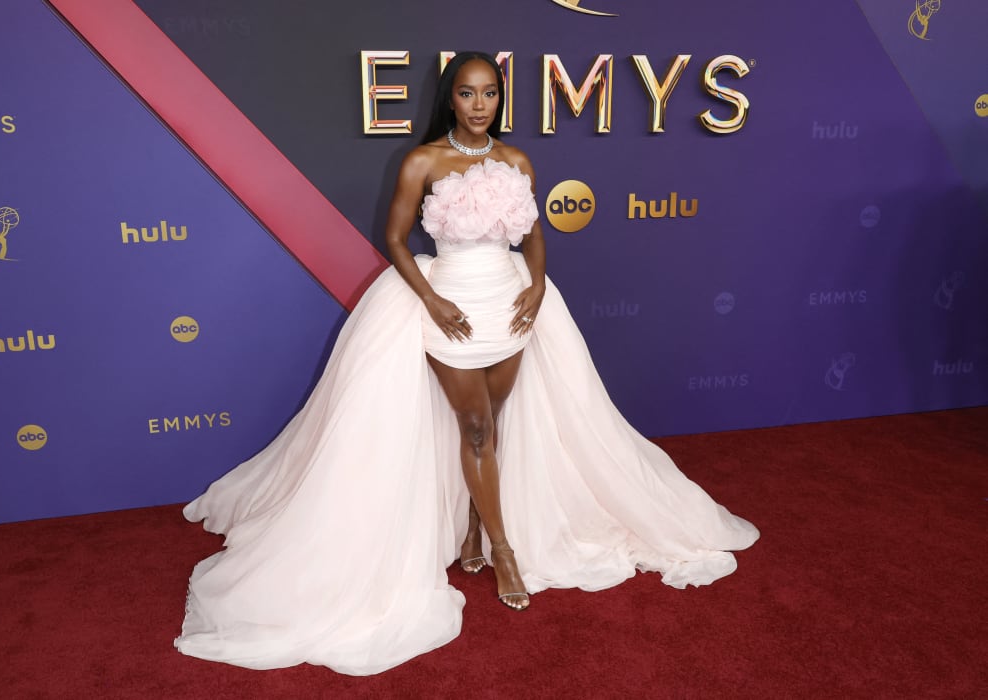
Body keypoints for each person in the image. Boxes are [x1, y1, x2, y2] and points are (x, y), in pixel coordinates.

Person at [174, 52, 759, 676]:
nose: (479, 104)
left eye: (489, 94)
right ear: (449, 99)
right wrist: (431, 298)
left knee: (493, 422)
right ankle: (504, 551)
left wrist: (536, 284)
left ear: (499, 98)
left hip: (510, 306)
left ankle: (476, 528)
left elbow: (533, 233)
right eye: (466, 94)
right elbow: (397, 238)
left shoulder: (517, 161)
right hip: (450, 307)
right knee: (476, 428)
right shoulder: (422, 161)